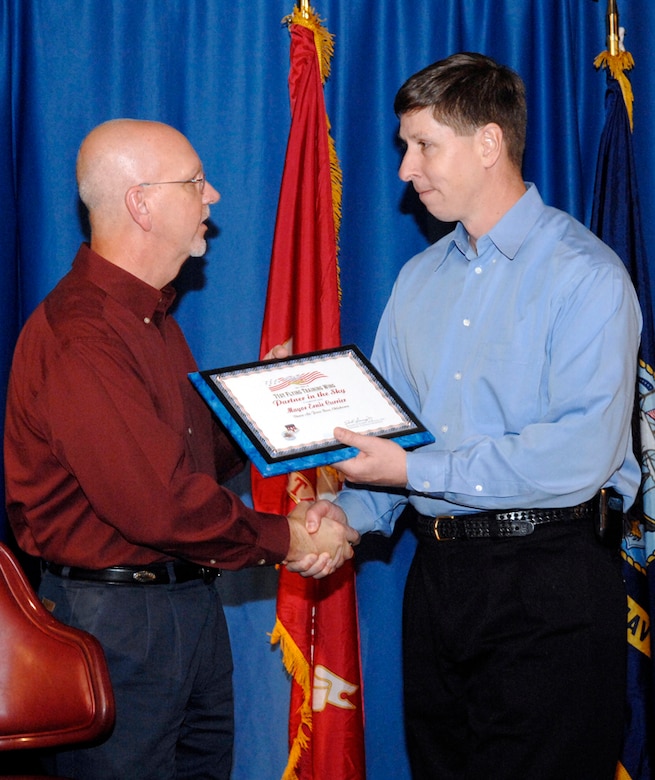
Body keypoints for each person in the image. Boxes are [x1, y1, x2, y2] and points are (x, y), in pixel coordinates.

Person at [306, 53, 641, 779]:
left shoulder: (585, 276)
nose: (404, 169)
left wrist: (411, 469)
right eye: (403, 147)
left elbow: (578, 454)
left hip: (547, 580)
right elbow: (391, 438)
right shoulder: (417, 279)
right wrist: (347, 518)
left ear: (489, 143)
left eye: (423, 145)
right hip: (436, 581)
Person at [3, 118, 357, 780]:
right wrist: (290, 539)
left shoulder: (148, 320)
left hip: (181, 607)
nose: (214, 195)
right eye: (195, 182)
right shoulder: (83, 336)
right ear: (140, 201)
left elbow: (186, 457)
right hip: (116, 627)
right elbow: (159, 505)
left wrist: (270, 405)